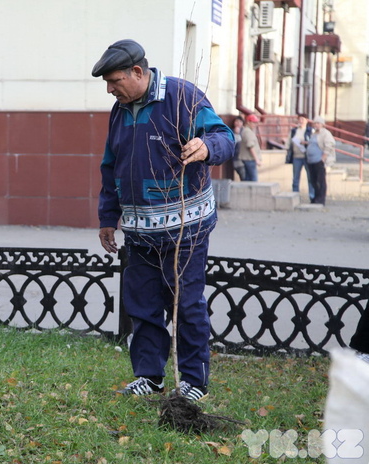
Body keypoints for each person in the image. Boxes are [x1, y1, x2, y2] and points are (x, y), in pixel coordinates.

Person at [91, 39, 235, 402]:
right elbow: (112, 166)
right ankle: (150, 376)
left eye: (115, 81)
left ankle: (193, 382)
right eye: (107, 83)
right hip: (140, 233)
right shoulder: (120, 109)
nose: (110, 89)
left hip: (185, 228)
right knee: (142, 306)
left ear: (138, 72)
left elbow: (224, 137)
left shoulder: (182, 96)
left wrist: (206, 147)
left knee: (186, 304)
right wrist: (109, 217)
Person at [306, 116, 336, 206]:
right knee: (313, 180)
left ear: (322, 124)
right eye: (315, 123)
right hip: (311, 161)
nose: (316, 125)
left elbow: (329, 145)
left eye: (318, 123)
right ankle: (315, 197)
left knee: (320, 180)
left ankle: (321, 199)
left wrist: (323, 158)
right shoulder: (314, 133)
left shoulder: (326, 134)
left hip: (319, 160)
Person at [286, 114, 314, 201]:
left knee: (310, 177)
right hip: (296, 156)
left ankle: (312, 196)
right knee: (295, 178)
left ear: (306, 120)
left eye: (303, 119)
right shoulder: (294, 131)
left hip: (307, 156)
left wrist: (305, 143)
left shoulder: (310, 131)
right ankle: (295, 196)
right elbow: (288, 142)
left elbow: (314, 142)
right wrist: (287, 150)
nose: (301, 121)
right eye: (299, 119)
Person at [239, 114, 262, 181]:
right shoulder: (248, 132)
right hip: (249, 159)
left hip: (248, 159)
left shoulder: (247, 131)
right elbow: (250, 146)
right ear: (248, 122)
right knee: (253, 179)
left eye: (256, 123)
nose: (255, 124)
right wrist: (256, 159)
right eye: (253, 122)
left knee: (248, 179)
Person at [231, 116, 247, 181]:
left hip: (246, 157)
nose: (238, 123)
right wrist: (236, 134)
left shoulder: (245, 131)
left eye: (240, 121)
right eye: (236, 121)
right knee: (242, 174)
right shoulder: (231, 131)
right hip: (236, 157)